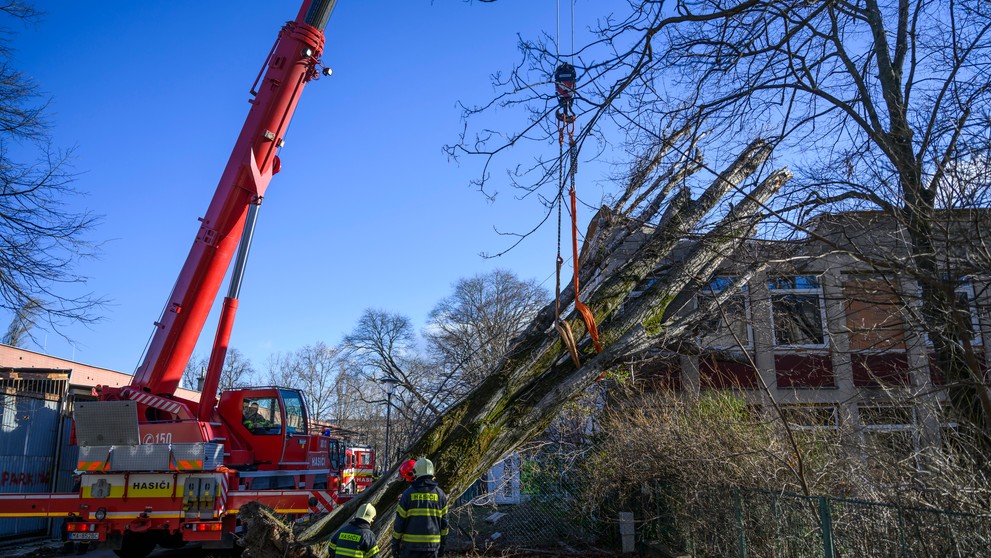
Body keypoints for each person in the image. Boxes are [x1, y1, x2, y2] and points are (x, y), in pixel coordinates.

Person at [392, 457, 448, 558]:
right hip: (432, 548)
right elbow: (444, 525)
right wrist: (442, 546)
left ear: (415, 472)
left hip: (410, 548)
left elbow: (399, 523)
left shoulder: (407, 494)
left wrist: (395, 544)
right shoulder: (440, 495)